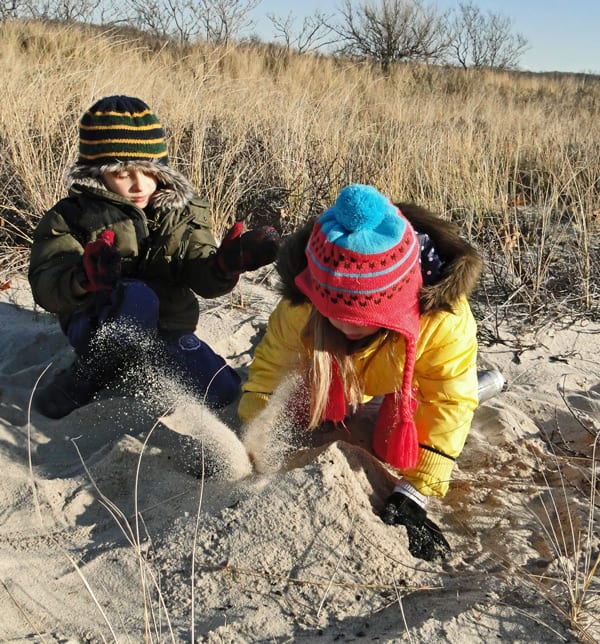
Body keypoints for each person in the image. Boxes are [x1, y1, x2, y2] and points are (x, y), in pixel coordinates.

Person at [237, 184, 483, 562]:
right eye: (335, 313)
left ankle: (485, 385)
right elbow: (271, 367)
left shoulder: (444, 320)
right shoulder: (302, 303)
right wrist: (254, 433)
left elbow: (448, 396)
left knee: (393, 447)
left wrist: (416, 490)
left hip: (403, 380)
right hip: (330, 370)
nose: (347, 326)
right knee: (297, 414)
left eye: (365, 318)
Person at [29, 95, 280, 419]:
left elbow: (200, 274)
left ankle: (147, 360)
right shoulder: (72, 216)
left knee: (222, 390)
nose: (139, 183)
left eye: (148, 171)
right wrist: (82, 279)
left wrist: (224, 266)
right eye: (122, 173)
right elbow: (46, 280)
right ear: (97, 172)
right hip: (97, 325)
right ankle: (89, 373)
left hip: (167, 328)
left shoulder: (184, 212)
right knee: (138, 296)